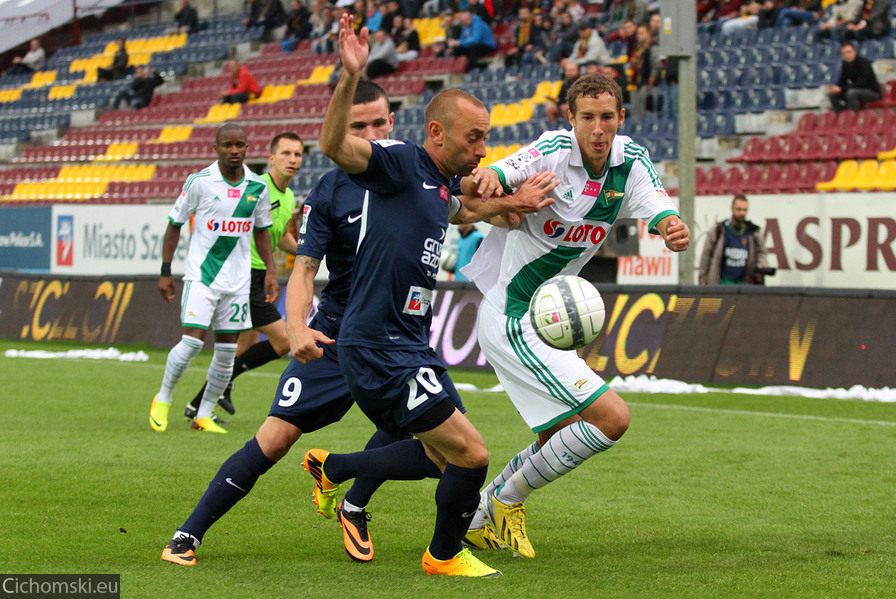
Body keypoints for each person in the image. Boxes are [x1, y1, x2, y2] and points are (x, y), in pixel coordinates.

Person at [300, 15, 556, 577]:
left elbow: (459, 209)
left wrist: (516, 207)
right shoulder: (395, 164)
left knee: (443, 457)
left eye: (486, 137)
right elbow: (330, 143)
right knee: (472, 455)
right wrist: (350, 76)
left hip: (410, 343)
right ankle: (443, 556)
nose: (483, 149)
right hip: (378, 346)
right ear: (437, 133)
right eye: (475, 137)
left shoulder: (436, 184)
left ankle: (334, 467)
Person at [161, 81, 413, 566]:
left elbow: (466, 198)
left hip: (400, 339)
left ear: (393, 123)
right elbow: (304, 266)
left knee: (427, 432)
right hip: (336, 333)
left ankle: (352, 500)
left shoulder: (420, 174)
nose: (371, 134)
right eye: (357, 126)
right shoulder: (329, 191)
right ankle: (189, 534)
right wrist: (296, 323)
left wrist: (504, 196)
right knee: (274, 438)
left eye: (378, 123)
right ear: (342, 131)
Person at [458, 73, 690, 558]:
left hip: (545, 321)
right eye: (588, 117)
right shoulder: (552, 151)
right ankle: (506, 499)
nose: (598, 128)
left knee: (558, 433)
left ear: (621, 118)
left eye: (607, 117)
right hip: (515, 316)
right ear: (572, 118)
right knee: (612, 418)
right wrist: (494, 183)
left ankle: (478, 518)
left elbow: (657, 205)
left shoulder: (630, 163)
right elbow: (501, 174)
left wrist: (670, 227)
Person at [149, 123, 277, 435]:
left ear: (247, 147)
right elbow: (174, 224)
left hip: (238, 282)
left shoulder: (257, 187)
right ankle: (163, 397)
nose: (234, 151)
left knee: (226, 351)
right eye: (228, 145)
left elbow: (262, 231)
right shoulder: (200, 182)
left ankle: (203, 414)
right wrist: (166, 271)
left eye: (240, 145)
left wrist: (271, 272)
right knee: (192, 342)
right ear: (216, 148)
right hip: (202, 276)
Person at [185, 132, 305, 422]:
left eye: (298, 154)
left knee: (242, 348)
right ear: (271, 158)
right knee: (284, 341)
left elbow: (279, 237)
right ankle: (216, 391)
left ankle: (198, 405)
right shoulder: (255, 187)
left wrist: (308, 248)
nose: (292, 160)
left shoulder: (288, 197)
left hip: (259, 276)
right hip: (243, 276)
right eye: (286, 153)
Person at [698, 194, 769, 285]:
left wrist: (760, 265)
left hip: (744, 286)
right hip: (721, 284)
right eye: (738, 209)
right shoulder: (719, 230)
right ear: (732, 209)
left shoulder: (753, 232)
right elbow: (706, 255)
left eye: (745, 210)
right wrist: (702, 278)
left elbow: (762, 252)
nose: (742, 213)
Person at [828, 40, 881, 112]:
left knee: (852, 93)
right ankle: (841, 116)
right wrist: (836, 88)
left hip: (871, 91)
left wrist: (842, 89)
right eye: (844, 54)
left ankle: (852, 117)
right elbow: (842, 80)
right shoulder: (845, 65)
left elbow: (861, 84)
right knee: (833, 95)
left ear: (854, 52)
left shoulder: (863, 63)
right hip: (854, 89)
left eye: (849, 52)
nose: (847, 56)